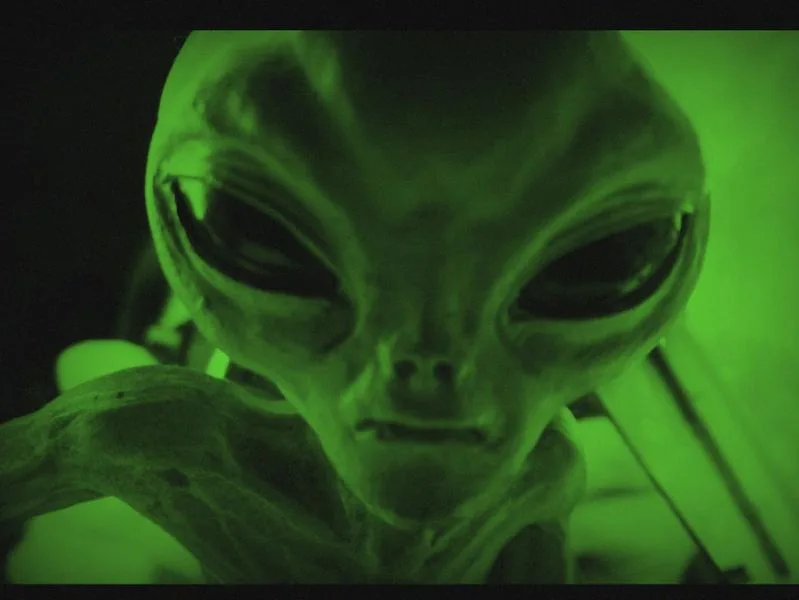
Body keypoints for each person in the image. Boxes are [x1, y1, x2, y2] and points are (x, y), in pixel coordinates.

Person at [1, 31, 710, 583]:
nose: (428, 362)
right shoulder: (156, 434)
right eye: (265, 240)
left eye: (593, 266)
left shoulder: (542, 470)